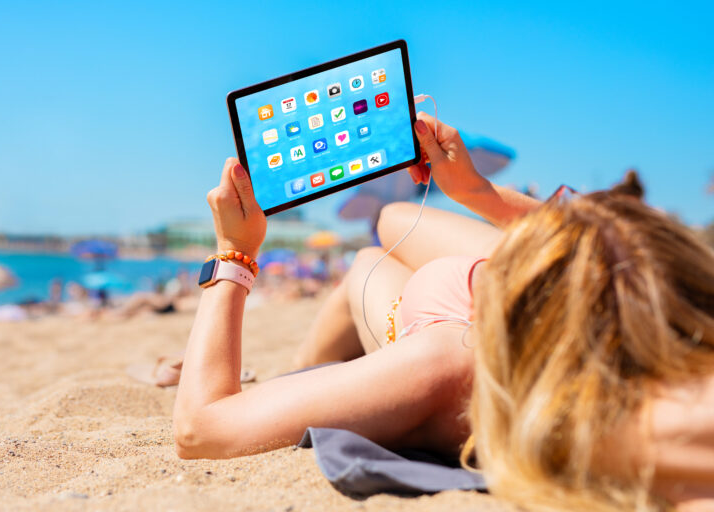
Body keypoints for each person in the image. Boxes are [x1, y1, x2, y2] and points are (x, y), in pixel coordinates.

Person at [172, 113, 714, 511]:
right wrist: (476, 191)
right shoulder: (664, 306)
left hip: (464, 325)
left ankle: (299, 376)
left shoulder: (445, 365)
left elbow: (201, 430)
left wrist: (235, 255)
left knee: (366, 261)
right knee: (393, 219)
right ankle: (299, 374)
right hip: (546, 298)